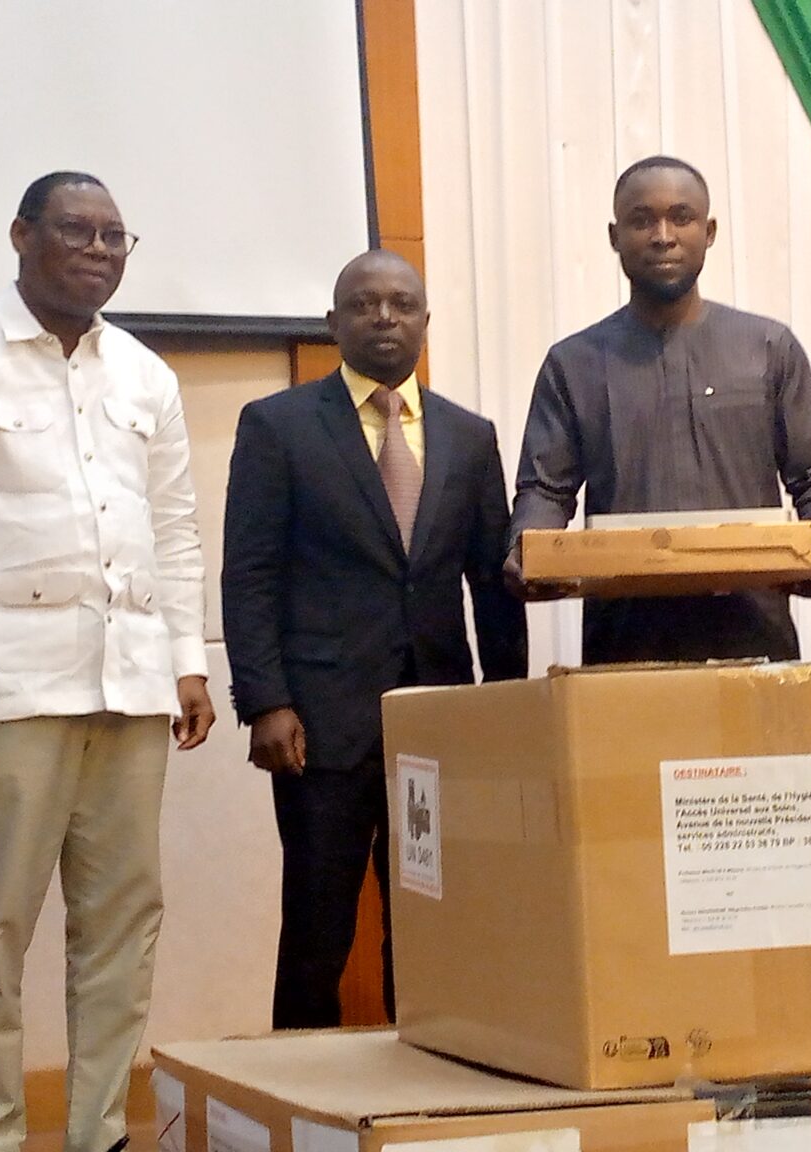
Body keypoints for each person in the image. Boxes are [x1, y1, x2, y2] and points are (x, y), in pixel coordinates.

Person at [0, 171, 215, 1152]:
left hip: (132, 686)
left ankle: (98, 1133)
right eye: (77, 231)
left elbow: (175, 530)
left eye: (116, 237)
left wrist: (187, 660)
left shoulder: (146, 375)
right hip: (7, 691)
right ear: (22, 235)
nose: (99, 251)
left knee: (122, 928)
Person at [221, 249, 527, 1030]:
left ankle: (423, 1078)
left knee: (431, 922)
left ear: (426, 321)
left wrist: (506, 707)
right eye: (363, 304)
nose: (384, 317)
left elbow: (492, 586)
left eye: (402, 304)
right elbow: (249, 574)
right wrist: (264, 701)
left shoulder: (471, 436)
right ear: (334, 323)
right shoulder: (278, 426)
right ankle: (297, 1088)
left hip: (440, 723)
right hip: (319, 727)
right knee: (318, 929)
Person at [504, 155, 811, 663]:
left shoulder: (768, 348)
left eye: (682, 217)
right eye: (642, 220)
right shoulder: (573, 364)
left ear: (709, 232)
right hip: (624, 651)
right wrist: (527, 549)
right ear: (614, 236)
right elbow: (545, 489)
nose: (663, 236)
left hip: (754, 640)